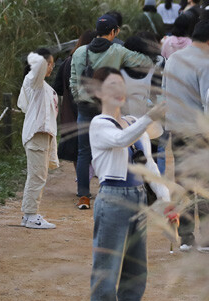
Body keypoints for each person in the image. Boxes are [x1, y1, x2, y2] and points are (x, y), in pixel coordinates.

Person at [85, 67, 176, 301]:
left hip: (137, 199)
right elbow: (121, 141)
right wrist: (151, 117)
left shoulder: (134, 121)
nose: (118, 90)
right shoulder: (99, 124)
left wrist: (165, 198)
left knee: (137, 272)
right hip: (112, 198)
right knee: (107, 270)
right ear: (98, 92)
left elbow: (148, 164)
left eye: (121, 84)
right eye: (111, 85)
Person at [68, 16, 156, 210]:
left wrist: (79, 97)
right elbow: (144, 62)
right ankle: (106, 190)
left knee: (83, 152)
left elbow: (73, 79)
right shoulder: (117, 50)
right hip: (106, 108)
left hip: (84, 106)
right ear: (114, 32)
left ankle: (83, 196)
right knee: (114, 148)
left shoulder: (80, 52)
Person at [162, 21, 209, 250]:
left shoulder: (173, 59)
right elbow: (208, 104)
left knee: (184, 183)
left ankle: (186, 238)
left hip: (176, 130)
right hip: (199, 132)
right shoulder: (206, 64)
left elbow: (165, 93)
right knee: (207, 183)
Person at [18, 49, 60, 229]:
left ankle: (31, 214)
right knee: (36, 176)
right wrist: (42, 59)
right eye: (50, 64)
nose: (51, 67)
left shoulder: (44, 86)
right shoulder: (32, 81)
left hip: (45, 135)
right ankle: (30, 215)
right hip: (36, 135)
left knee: (40, 176)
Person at [53, 30, 95, 163]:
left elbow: (57, 88)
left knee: (79, 157)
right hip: (93, 117)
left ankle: (81, 181)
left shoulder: (67, 62)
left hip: (71, 117)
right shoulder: (98, 63)